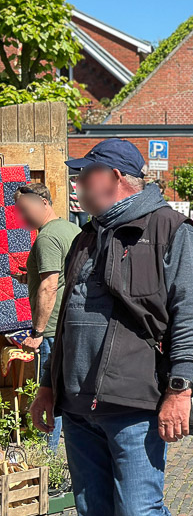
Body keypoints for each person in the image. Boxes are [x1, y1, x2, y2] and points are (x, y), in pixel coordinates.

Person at [29, 138, 193, 516]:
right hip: (78, 406)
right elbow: (67, 320)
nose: (76, 185)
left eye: (84, 176)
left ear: (113, 178)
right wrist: (48, 385)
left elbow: (191, 315)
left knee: (140, 515)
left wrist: (179, 389)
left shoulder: (170, 229)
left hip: (134, 403)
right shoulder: (84, 238)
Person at [13, 183, 80, 451]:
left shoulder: (47, 237)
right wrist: (29, 276)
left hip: (52, 329)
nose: (22, 217)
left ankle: (45, 459)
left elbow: (50, 285)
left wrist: (37, 333)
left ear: (43, 202)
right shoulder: (70, 229)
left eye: (25, 209)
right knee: (64, 391)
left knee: (48, 395)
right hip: (70, 322)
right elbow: (61, 275)